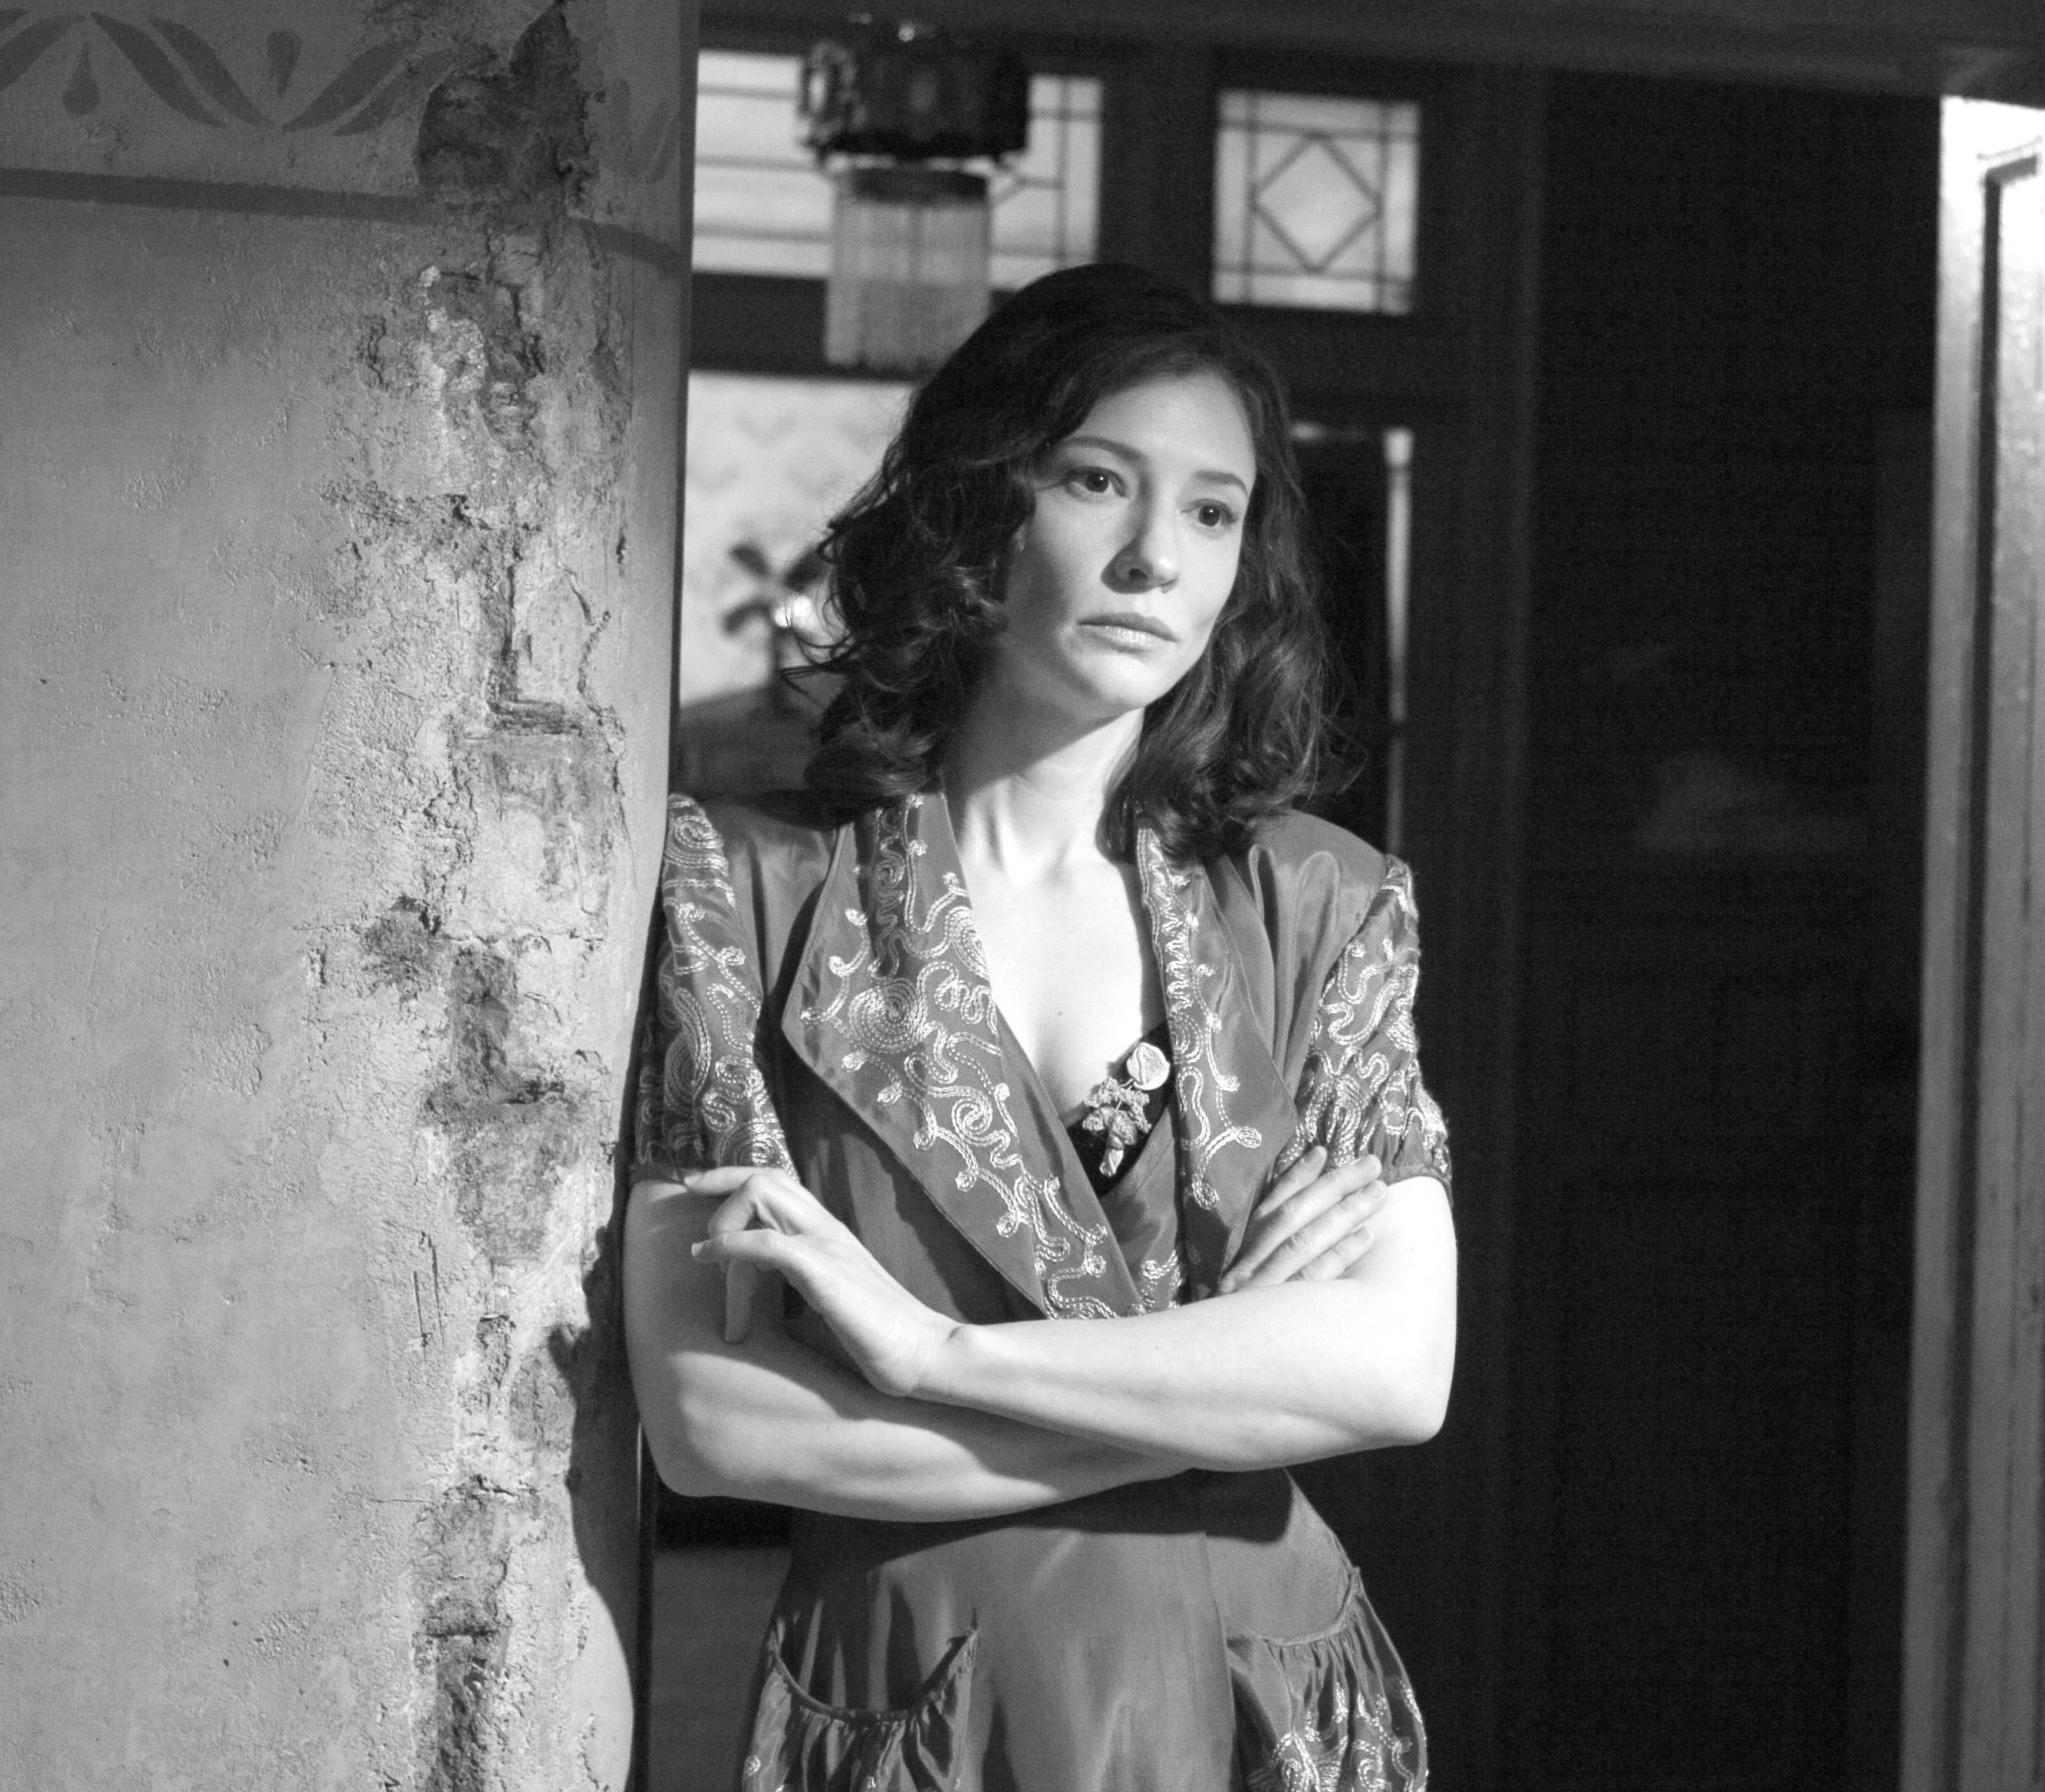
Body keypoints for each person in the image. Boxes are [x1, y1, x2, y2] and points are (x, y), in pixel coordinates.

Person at [623, 262, 1455, 1792]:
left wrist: (930, 1354)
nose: (1155, 557)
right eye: (1096, 482)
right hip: (923, 1706)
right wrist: (1231, 1394)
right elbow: (712, 1423)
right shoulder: (741, 891)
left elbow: (1398, 1373)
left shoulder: (1322, 904)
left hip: (1261, 1703)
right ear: (979, 503)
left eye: (1213, 511)